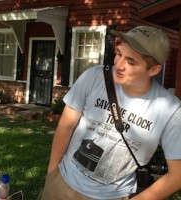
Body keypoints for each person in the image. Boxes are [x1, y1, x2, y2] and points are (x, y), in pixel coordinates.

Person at [40, 26, 181, 200]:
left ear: (153, 70)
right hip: (63, 183)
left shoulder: (170, 110)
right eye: (119, 54)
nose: (118, 64)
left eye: (131, 61)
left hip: (111, 196)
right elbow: (66, 125)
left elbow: (177, 175)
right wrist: (52, 174)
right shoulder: (93, 78)